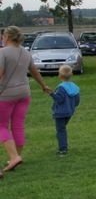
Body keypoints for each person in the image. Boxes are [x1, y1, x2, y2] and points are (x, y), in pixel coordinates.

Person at [0, 26, 51, 173]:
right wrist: (43, 86)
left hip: (6, 95)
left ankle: (14, 157)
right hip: (24, 94)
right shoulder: (26, 52)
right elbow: (34, 72)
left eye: (3, 36)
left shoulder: (3, 52)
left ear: (7, 37)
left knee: (1, 126)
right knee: (18, 125)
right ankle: (16, 156)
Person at [50, 65, 81, 156]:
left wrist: (52, 93)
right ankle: (63, 146)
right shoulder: (75, 87)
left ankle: (63, 149)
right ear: (71, 75)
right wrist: (72, 106)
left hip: (60, 113)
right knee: (62, 129)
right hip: (69, 112)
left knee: (61, 131)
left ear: (59, 76)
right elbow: (77, 101)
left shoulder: (61, 88)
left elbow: (59, 100)